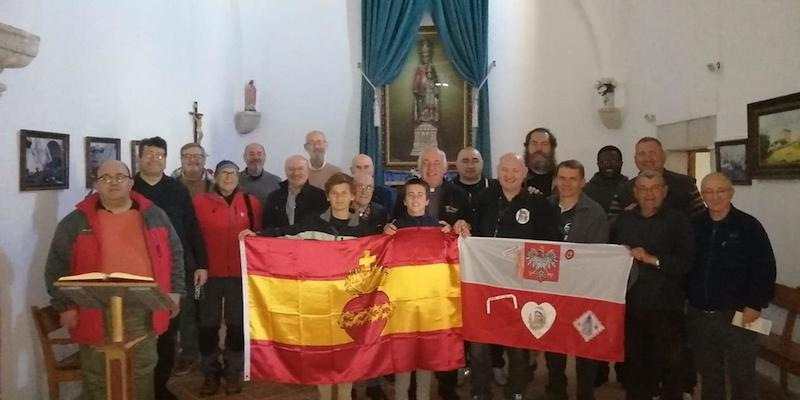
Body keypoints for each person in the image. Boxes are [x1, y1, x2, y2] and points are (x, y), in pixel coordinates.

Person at [44, 160, 185, 400]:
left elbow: (175, 254)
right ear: (96, 184)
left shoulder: (154, 215)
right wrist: (64, 305)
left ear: (131, 182)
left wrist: (175, 292)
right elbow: (56, 267)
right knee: (97, 374)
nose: (113, 182)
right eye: (106, 178)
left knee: (141, 371)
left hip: (143, 308)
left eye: (120, 176)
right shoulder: (75, 222)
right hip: (93, 308)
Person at [243, 172, 371, 400]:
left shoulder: (364, 229)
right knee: (322, 353)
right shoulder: (314, 222)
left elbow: (383, 252)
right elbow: (284, 235)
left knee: (347, 354)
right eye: (334, 193)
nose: (339, 198)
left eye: (344, 193)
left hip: (350, 303)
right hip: (319, 301)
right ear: (328, 197)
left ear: (352, 196)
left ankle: (345, 395)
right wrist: (256, 236)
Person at [468, 153, 562, 400]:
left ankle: (516, 391)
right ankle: (480, 391)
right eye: (504, 170)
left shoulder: (538, 204)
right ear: (497, 171)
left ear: (524, 174)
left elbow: (551, 245)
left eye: (515, 170)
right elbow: (470, 231)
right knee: (478, 344)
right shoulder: (483, 199)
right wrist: (462, 226)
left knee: (517, 346)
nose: (509, 175)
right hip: (484, 284)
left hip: (521, 286)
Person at [389, 147, 470, 400]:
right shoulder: (399, 214)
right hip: (404, 296)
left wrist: (456, 231)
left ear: (445, 167)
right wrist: (385, 232)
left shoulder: (458, 195)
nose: (432, 167)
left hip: (435, 294)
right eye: (426, 162)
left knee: (432, 347)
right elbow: (388, 237)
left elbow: (466, 230)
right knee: (404, 350)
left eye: (437, 163)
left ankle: (443, 390)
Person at [687, 173, 776, 400]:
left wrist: (755, 304)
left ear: (731, 193)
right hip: (700, 314)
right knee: (709, 374)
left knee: (742, 375)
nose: (714, 196)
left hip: (740, 314)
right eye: (708, 191)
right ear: (702, 195)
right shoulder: (694, 225)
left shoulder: (749, 226)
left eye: (721, 191)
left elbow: (764, 268)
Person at [132, 136, 208, 400]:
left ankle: (160, 386)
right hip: (138, 270)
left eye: (159, 154)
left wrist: (201, 264)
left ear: (166, 159)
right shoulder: (129, 188)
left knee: (168, 328)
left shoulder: (177, 189)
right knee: (140, 329)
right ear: (140, 157)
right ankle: (139, 388)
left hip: (174, 268)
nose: (154, 158)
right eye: (149, 154)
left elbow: (192, 227)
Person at [610, 170, 694, 400]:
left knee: (670, 365)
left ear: (664, 191)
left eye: (655, 188)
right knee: (635, 365)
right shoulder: (623, 221)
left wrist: (652, 259)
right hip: (631, 306)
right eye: (644, 189)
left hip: (666, 306)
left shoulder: (679, 221)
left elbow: (686, 262)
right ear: (635, 192)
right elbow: (610, 253)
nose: (649, 193)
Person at [540, 160, 609, 400]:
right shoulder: (544, 207)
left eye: (573, 179)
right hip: (552, 290)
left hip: (586, 292)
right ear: (555, 180)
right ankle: (556, 388)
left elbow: (599, 254)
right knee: (553, 343)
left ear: (583, 182)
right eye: (562, 178)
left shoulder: (596, 212)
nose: (566, 183)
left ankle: (585, 393)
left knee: (586, 344)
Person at [193, 160, 262, 395]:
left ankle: (233, 371)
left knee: (237, 326)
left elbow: (259, 237)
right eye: (223, 173)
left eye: (232, 173)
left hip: (240, 276)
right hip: (207, 275)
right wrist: (198, 266)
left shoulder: (251, 203)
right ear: (215, 176)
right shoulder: (200, 202)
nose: (228, 177)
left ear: (238, 176)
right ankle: (210, 373)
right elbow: (193, 237)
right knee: (207, 326)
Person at [384, 177, 452, 400]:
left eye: (419, 195)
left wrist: (451, 235)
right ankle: (400, 396)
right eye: (410, 195)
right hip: (402, 302)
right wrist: (383, 236)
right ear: (404, 201)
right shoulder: (394, 228)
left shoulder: (438, 227)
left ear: (427, 200)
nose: (415, 199)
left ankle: (423, 396)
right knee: (402, 352)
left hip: (429, 302)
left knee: (426, 352)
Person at [169, 144, 214, 376]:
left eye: (198, 156)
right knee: (186, 305)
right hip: (181, 257)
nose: (193, 160)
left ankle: (207, 351)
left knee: (203, 304)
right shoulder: (171, 187)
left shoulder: (216, 186)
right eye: (188, 156)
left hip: (209, 257)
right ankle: (188, 351)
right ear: (180, 159)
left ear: (205, 159)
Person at [608, 137, 704, 218]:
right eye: (642, 154)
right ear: (635, 159)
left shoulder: (686, 186)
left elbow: (700, 221)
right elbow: (613, 226)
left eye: (652, 153)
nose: (647, 158)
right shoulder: (623, 191)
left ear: (664, 156)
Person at [262, 155, 327, 229]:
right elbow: (267, 227)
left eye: (300, 169)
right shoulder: (274, 197)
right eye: (291, 169)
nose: (296, 173)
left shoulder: (320, 196)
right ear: (285, 171)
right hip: (279, 237)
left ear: (308, 171)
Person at [583, 145, 628, 212]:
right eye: (605, 162)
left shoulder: (630, 189)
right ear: (598, 164)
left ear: (621, 163)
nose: (609, 165)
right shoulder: (586, 191)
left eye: (614, 162)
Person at [239, 143, 282, 207]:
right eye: (251, 154)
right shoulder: (235, 181)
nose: (256, 158)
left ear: (264, 157)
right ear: (244, 157)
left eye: (259, 154)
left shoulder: (276, 182)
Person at [523, 128, 558, 197]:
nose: (539, 149)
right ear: (527, 147)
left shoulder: (562, 179)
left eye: (544, 144)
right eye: (534, 143)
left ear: (552, 147)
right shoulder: (516, 178)